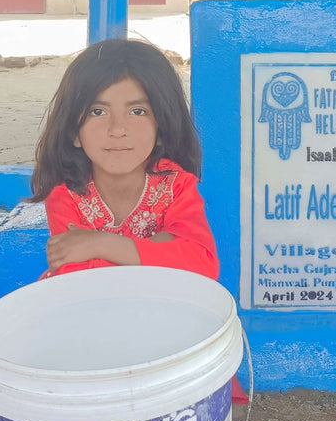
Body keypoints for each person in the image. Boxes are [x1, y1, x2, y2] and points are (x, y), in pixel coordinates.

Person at [29, 38, 218, 280]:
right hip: (89, 309)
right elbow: (73, 275)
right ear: (74, 133)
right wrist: (160, 249)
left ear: (161, 130)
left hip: (160, 309)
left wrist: (100, 245)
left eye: (137, 111)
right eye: (98, 112)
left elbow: (202, 263)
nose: (117, 129)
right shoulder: (66, 194)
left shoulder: (176, 186)